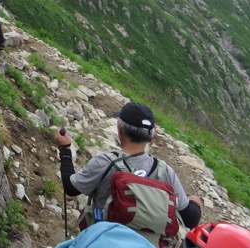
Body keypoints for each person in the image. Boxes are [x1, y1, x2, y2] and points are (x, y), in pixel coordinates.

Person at [55, 102, 203, 241]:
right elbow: (190, 219)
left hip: (103, 241)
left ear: (120, 130)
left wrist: (65, 149)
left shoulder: (105, 163)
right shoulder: (165, 172)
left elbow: (71, 188)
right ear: (152, 137)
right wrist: (195, 201)